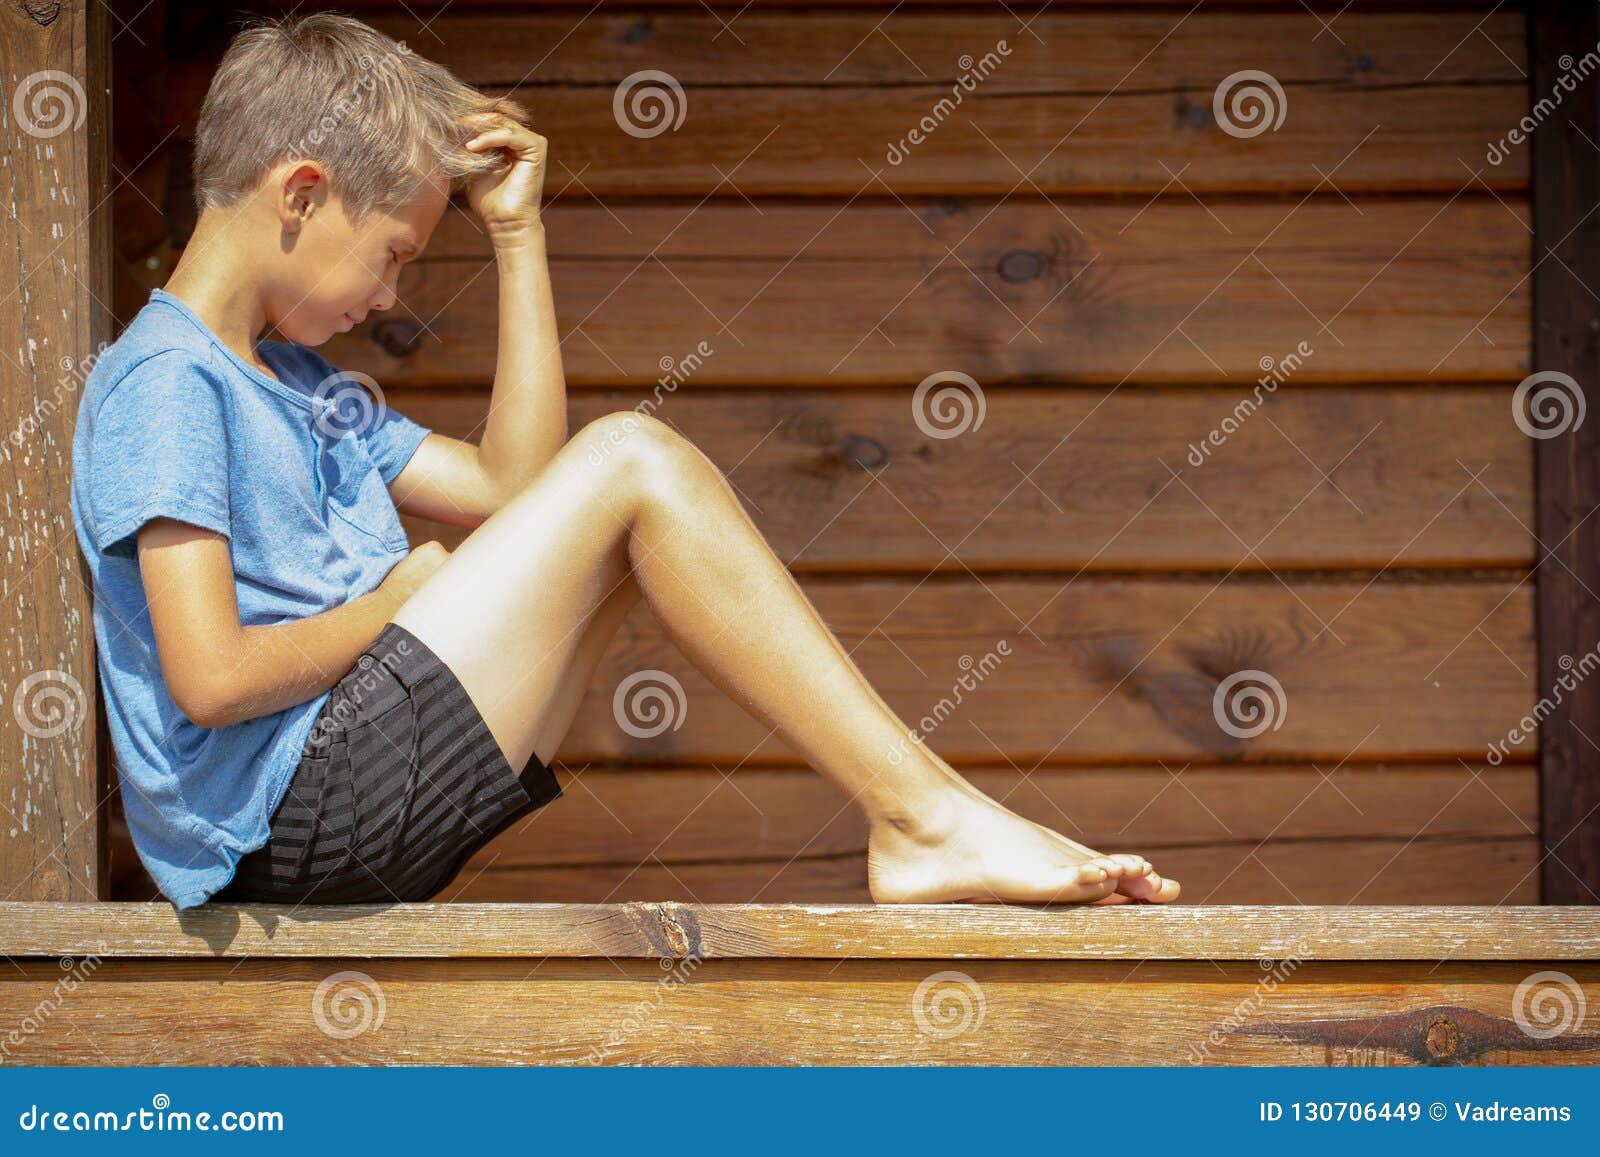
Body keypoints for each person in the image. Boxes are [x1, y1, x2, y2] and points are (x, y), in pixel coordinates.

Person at [70, 12, 1179, 910]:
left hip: (357, 788)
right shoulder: (168, 381)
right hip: (290, 821)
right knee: (634, 459)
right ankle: (925, 817)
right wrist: (397, 602)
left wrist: (517, 235)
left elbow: (513, 491)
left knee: (622, 491)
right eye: (397, 252)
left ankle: (925, 812)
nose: (392, 293)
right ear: (301, 192)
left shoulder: (301, 388)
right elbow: (208, 680)